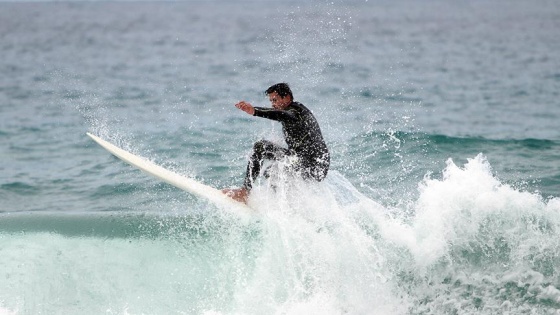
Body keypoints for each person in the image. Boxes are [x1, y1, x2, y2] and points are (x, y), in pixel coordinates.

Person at [223, 83, 330, 203]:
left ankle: (245, 192)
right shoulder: (293, 111)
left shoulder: (296, 111)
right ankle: (285, 204)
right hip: (307, 161)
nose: (273, 104)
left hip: (313, 164)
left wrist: (255, 111)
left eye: (275, 100)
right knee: (271, 172)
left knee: (261, 147)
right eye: (271, 101)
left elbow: (282, 114)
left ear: (287, 97)